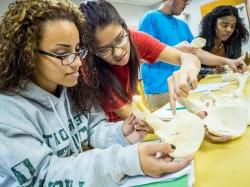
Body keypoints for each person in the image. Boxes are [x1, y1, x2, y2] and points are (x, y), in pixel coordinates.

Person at [0, 0, 193, 186]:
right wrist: (125, 161)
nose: (77, 62)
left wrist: (122, 133)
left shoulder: (71, 85)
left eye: (77, 50)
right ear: (27, 55)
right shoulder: (8, 111)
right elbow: (43, 176)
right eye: (62, 53)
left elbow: (92, 129)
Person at [138, 0, 246, 142]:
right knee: (175, 136)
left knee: (201, 126)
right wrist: (175, 50)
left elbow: (198, 53)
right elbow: (141, 57)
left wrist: (229, 61)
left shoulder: (182, 25)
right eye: (185, 0)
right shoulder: (150, 18)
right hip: (160, 90)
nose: (187, 3)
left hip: (185, 88)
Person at [79, 0, 201, 122]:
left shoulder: (136, 39)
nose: (118, 52)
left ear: (124, 27)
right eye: (103, 50)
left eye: (120, 38)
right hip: (110, 127)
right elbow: (134, 119)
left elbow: (187, 57)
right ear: (92, 50)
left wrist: (187, 68)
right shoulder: (90, 69)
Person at [199, 5, 249, 77]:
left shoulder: (232, 41)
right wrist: (213, 71)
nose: (229, 30)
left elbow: (234, 62)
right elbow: (194, 68)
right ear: (213, 24)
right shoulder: (200, 42)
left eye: (232, 26)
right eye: (225, 25)